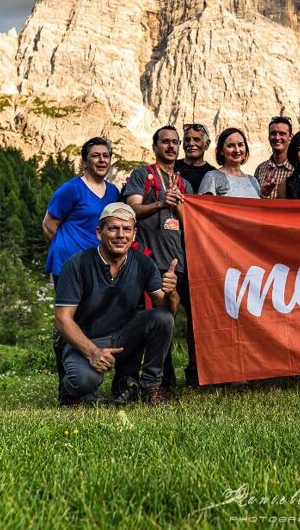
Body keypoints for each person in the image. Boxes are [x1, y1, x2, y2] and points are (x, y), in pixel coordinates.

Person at [54, 203, 179, 406]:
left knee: (162, 318)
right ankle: (68, 390)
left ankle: (151, 385)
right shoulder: (76, 264)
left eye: (127, 229)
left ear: (134, 233)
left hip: (123, 337)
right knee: (84, 382)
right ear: (99, 233)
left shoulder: (144, 263)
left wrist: (171, 292)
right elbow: (62, 320)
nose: (121, 235)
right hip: (86, 339)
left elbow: (168, 311)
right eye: (113, 228)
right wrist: (93, 352)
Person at [123, 126, 198, 387]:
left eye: (175, 142)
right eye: (164, 142)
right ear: (155, 146)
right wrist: (160, 202)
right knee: (159, 320)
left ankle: (193, 373)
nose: (171, 146)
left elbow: (192, 225)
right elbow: (131, 209)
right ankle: (160, 380)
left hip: (179, 263)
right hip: (150, 262)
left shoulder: (184, 183)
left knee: (188, 319)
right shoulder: (142, 175)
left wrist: (178, 210)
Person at [42, 137, 121, 283]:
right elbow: (48, 226)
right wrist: (65, 248)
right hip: (69, 263)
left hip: (98, 263)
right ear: (85, 162)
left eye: (106, 156)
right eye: (95, 156)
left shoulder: (113, 192)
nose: (102, 160)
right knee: (71, 306)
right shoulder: (70, 189)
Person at [198, 128, 262, 198]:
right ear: (221, 151)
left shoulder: (253, 181)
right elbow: (203, 206)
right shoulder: (212, 177)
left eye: (240, 145)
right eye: (231, 146)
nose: (237, 150)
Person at [254, 116, 294, 199]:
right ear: (268, 137)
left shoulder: (298, 168)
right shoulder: (260, 169)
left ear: (290, 137)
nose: (277, 137)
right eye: (273, 133)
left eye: (282, 134)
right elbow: (254, 200)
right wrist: (263, 194)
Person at [175, 123, 216, 193]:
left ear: (207, 144)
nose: (191, 143)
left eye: (196, 139)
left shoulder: (213, 175)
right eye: (187, 140)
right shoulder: (171, 167)